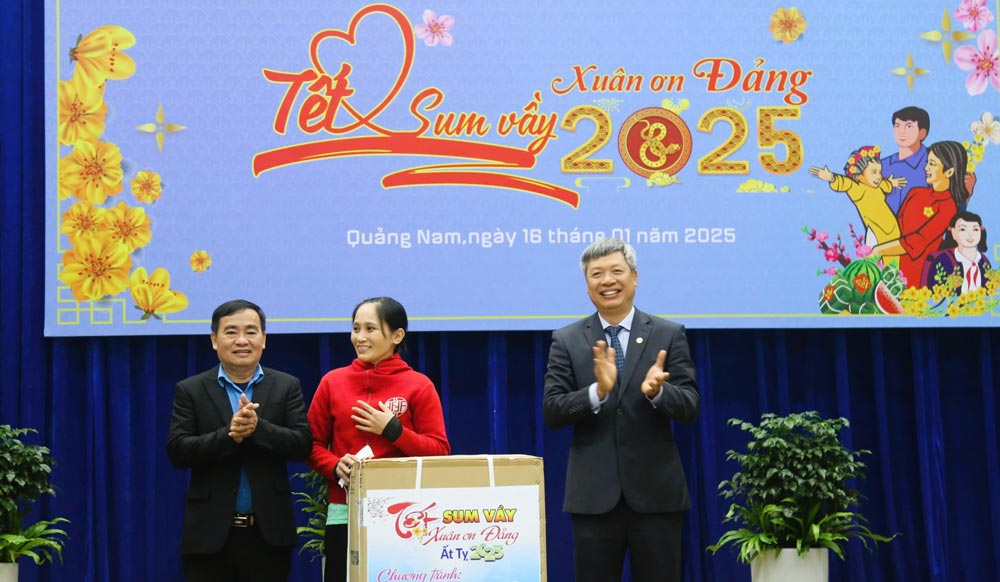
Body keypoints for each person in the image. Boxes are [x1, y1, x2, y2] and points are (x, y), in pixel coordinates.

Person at [542, 238, 700, 582]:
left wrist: (660, 392)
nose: (607, 281)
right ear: (587, 286)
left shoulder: (668, 334)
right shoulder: (567, 339)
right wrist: (596, 392)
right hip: (594, 499)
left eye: (616, 271)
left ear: (634, 277)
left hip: (656, 496)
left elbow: (690, 406)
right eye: (596, 274)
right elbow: (552, 411)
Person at [306, 296, 450, 582]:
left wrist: (394, 431)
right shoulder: (332, 382)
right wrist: (334, 466)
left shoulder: (418, 385)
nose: (360, 337)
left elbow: (439, 451)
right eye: (356, 328)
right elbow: (310, 444)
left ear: (397, 335)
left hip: (406, 515)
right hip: (344, 511)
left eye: (370, 329)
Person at [166, 299, 311, 582]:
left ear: (264, 339)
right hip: (208, 536)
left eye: (251, 331)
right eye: (231, 332)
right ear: (214, 339)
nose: (242, 340)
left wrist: (258, 429)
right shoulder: (191, 390)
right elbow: (178, 451)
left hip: (268, 535)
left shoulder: (286, 385)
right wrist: (229, 435)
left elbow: (302, 444)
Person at [873, 140, 971, 288]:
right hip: (890, 264)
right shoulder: (916, 192)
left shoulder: (948, 206)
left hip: (917, 274)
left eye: (932, 164)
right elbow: (895, 228)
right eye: (927, 162)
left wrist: (879, 250)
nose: (926, 168)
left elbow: (918, 240)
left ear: (949, 171)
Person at [809, 144, 905, 246]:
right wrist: (832, 178)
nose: (878, 176)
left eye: (880, 172)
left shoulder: (877, 185)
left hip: (893, 231)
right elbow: (846, 184)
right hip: (877, 236)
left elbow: (885, 185)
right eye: (873, 172)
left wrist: (891, 183)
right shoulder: (858, 190)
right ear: (859, 174)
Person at [921, 210, 992, 294]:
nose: (970, 234)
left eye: (975, 229)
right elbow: (933, 294)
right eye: (963, 229)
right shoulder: (943, 260)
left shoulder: (984, 262)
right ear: (953, 233)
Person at [881, 106, 930, 215]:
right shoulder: (881, 165)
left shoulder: (932, 163)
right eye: (897, 126)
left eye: (909, 126)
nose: (901, 131)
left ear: (922, 133)